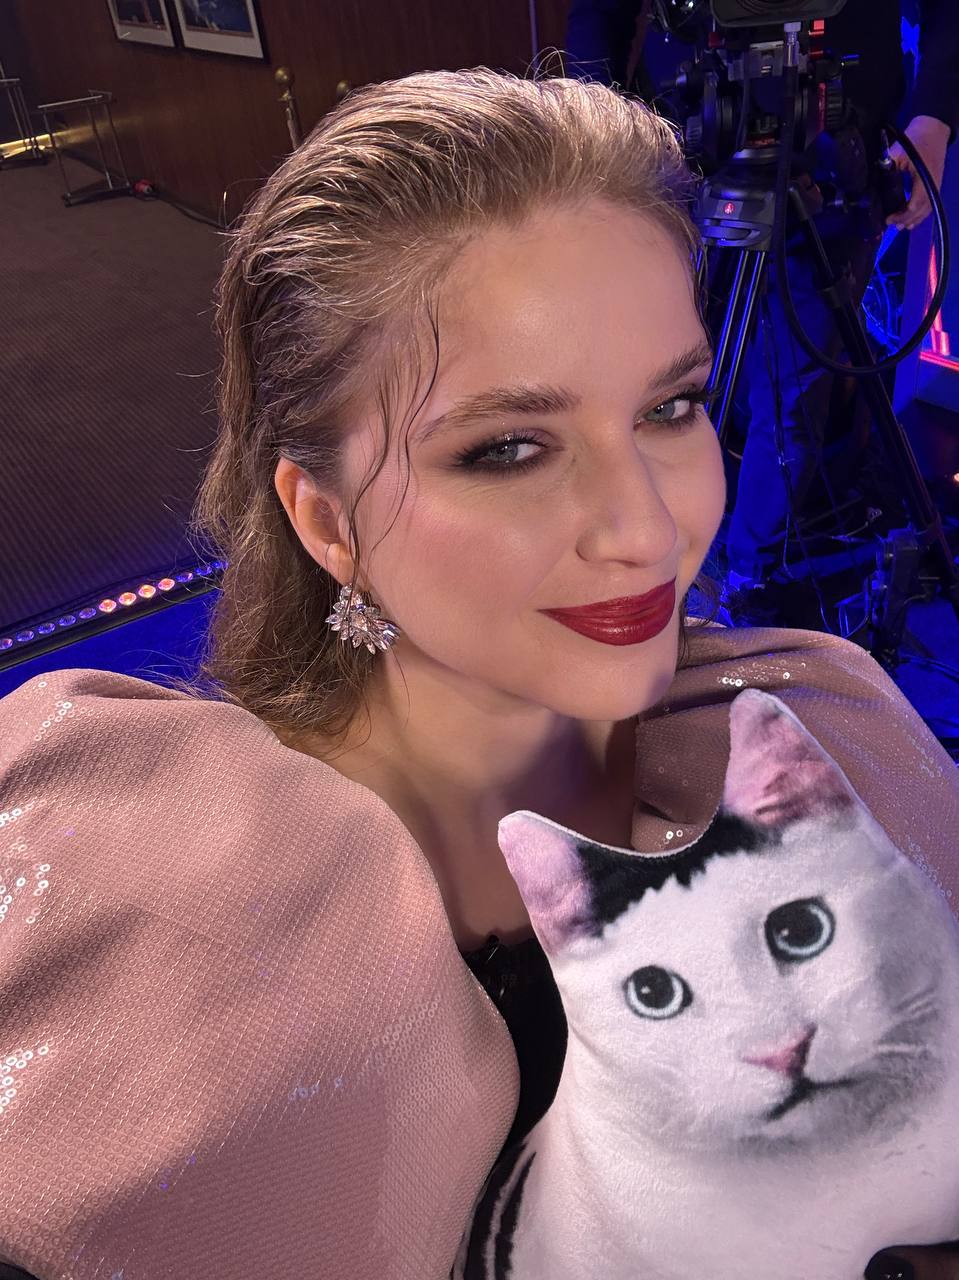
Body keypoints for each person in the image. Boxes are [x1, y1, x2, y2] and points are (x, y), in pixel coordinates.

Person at [0, 69, 957, 1280]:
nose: (643, 528)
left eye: (668, 408)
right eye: (507, 448)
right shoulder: (177, 918)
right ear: (327, 520)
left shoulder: (817, 727)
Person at [563, 0, 959, 626]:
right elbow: (598, 12)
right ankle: (653, 558)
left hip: (835, 149)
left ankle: (740, 585)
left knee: (795, 392)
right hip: (683, 147)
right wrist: (591, 138)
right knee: (660, 375)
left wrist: (933, 119)